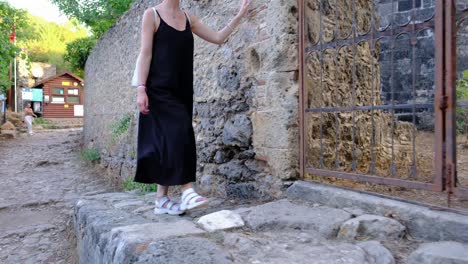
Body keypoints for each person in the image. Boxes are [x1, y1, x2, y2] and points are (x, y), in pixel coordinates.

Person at [134, 0, 252, 215]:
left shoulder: (189, 18)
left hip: (182, 91)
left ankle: (161, 200)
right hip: (158, 90)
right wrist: (141, 88)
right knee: (180, 133)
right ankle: (188, 190)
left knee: (168, 141)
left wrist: (239, 15)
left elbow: (217, 38)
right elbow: (145, 53)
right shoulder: (152, 15)